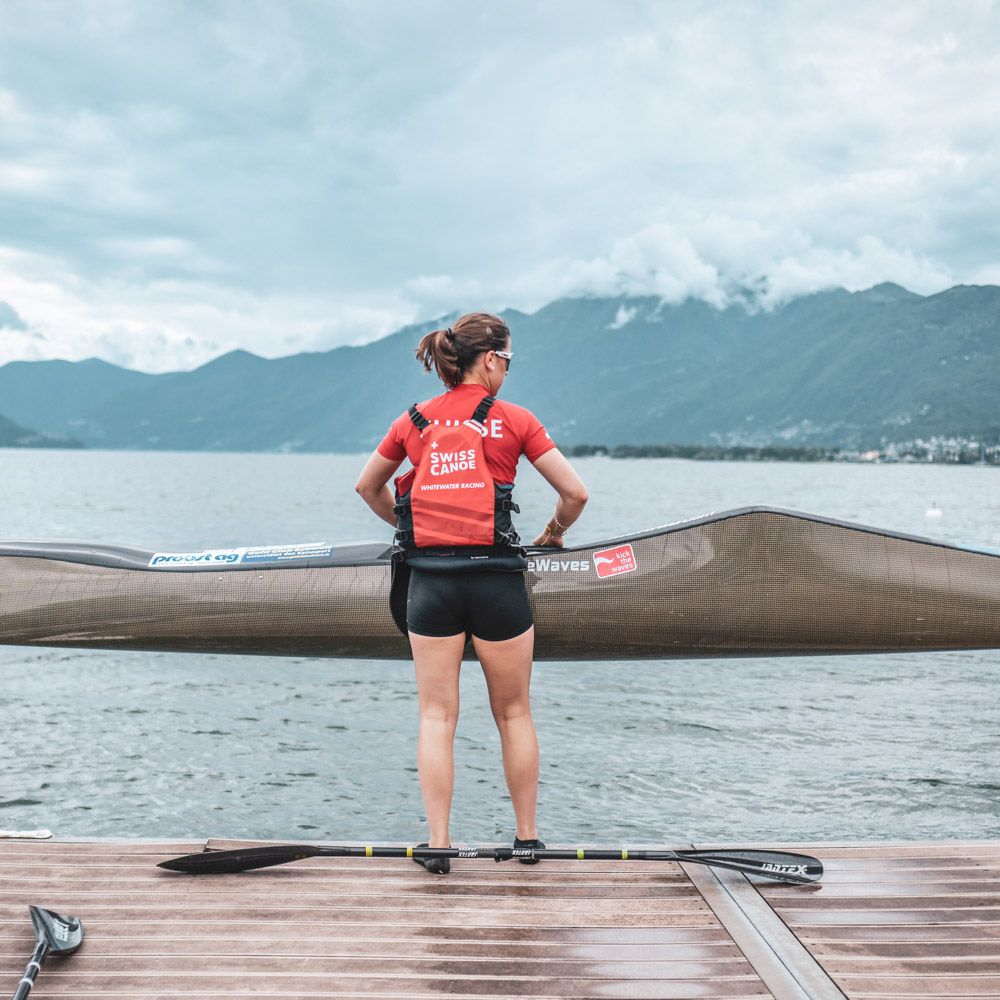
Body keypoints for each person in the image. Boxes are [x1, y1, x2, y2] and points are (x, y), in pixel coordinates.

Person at [355, 312, 588, 874]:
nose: (507, 370)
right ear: (489, 360)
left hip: (430, 585)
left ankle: (438, 844)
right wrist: (553, 533)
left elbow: (368, 486)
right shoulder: (515, 419)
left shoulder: (412, 420)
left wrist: (409, 532)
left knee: (437, 717)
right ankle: (527, 839)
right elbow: (576, 493)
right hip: (497, 584)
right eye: (507, 361)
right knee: (513, 714)